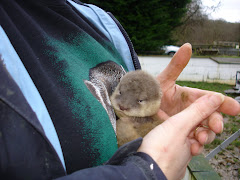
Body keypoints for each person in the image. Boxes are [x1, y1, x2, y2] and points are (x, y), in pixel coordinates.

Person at [0, 0, 239, 179]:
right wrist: (147, 171)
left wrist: (156, 110)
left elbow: (124, 99)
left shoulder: (99, 20)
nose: (122, 104)